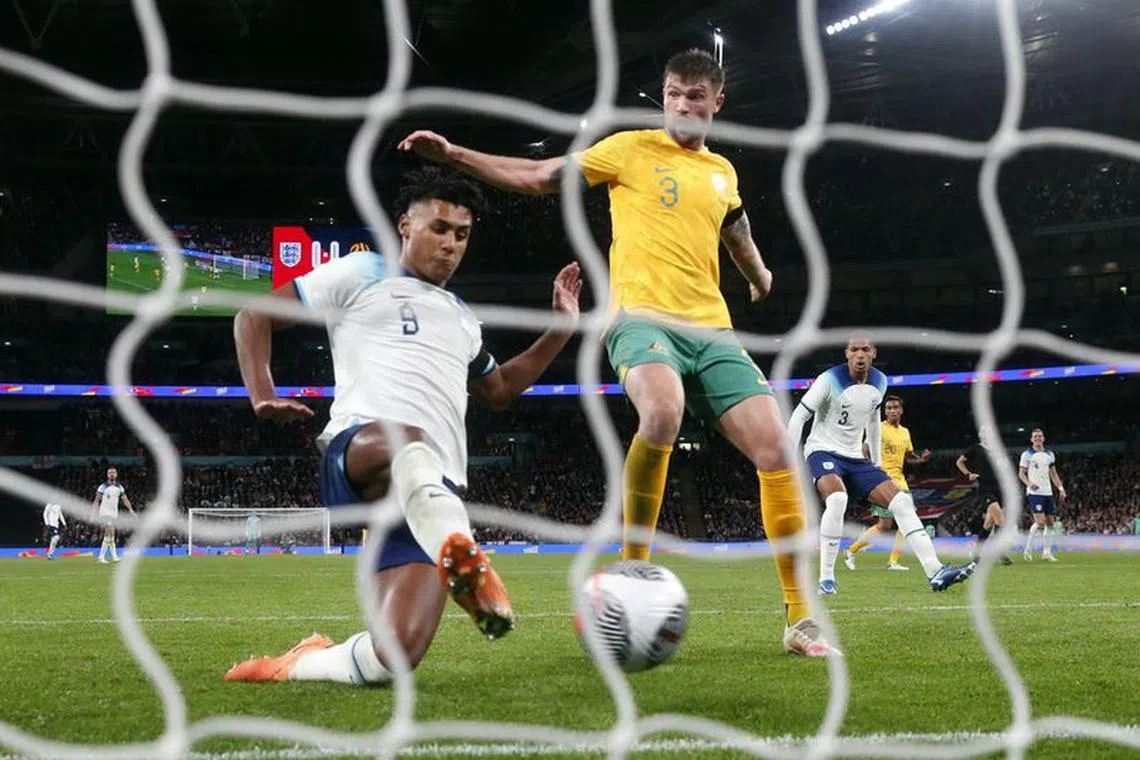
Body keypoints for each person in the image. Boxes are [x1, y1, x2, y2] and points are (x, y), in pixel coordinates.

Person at [398, 48, 834, 658]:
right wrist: (456, 157)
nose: (682, 105)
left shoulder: (722, 172)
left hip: (713, 329)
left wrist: (759, 275)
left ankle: (799, 619)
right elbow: (542, 175)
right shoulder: (627, 149)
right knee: (662, 412)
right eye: (674, 94)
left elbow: (736, 228)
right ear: (664, 96)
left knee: (777, 449)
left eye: (695, 96)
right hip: (639, 319)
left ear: (716, 103)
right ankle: (632, 573)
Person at [225, 168, 582, 684]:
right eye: (438, 228)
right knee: (408, 439)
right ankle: (469, 561)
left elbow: (500, 389)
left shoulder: (461, 318)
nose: (450, 245)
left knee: (393, 657)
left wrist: (561, 330)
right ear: (404, 226)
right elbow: (253, 314)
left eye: (461, 235)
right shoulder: (364, 270)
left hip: (430, 496)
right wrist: (262, 394)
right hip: (361, 453)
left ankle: (296, 664)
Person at [787, 336, 975, 595]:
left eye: (865, 349)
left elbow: (873, 423)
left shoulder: (880, 381)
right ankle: (826, 578)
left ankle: (935, 571)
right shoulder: (828, 380)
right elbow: (799, 415)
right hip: (822, 450)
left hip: (856, 457)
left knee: (901, 503)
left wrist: (875, 464)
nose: (860, 354)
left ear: (874, 353)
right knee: (838, 499)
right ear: (847, 354)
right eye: (854, 350)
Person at [844, 395, 931, 571]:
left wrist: (921, 460)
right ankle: (851, 550)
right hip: (883, 481)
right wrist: (872, 470)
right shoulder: (879, 429)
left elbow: (908, 457)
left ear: (901, 410)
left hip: (900, 482)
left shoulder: (905, 432)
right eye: (888, 408)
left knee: (907, 520)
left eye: (895, 407)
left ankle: (893, 561)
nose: (891, 411)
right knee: (884, 525)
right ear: (885, 411)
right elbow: (864, 449)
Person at [956, 429, 1014, 565]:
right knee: (1000, 520)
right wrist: (968, 474)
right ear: (981, 435)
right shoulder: (975, 449)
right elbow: (959, 462)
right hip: (985, 489)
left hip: (999, 489)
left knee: (988, 525)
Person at [1019, 428, 1066, 561]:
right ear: (1031, 439)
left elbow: (1053, 473)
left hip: (1048, 492)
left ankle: (1046, 553)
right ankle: (1027, 549)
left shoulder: (1049, 454)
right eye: (1035, 437)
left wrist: (1060, 488)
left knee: (1050, 523)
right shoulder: (1027, 454)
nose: (1037, 438)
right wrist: (1029, 484)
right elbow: (1021, 473)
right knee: (1039, 522)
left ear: (1043, 438)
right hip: (1035, 492)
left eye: (1040, 436)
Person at [91, 467, 135, 564]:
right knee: (109, 531)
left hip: (114, 513)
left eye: (113, 472)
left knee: (112, 534)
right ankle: (101, 557)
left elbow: (125, 500)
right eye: (110, 472)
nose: (112, 474)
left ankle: (114, 556)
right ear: (107, 475)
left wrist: (131, 510)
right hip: (105, 512)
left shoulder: (120, 487)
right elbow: (96, 500)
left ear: (116, 474)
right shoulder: (102, 486)